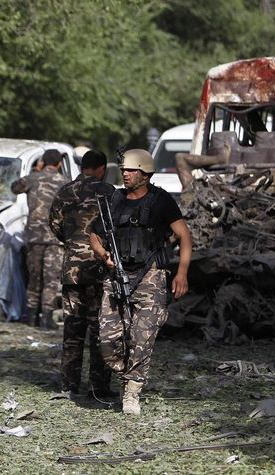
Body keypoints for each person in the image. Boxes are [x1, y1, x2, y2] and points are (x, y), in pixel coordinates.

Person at [89, 149, 192, 415]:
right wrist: (104, 256)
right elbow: (94, 234)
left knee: (141, 337)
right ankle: (125, 374)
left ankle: (132, 391)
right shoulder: (114, 200)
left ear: (145, 174)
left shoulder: (161, 201)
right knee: (108, 341)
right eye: (124, 170)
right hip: (117, 276)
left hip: (151, 277)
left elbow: (184, 236)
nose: (125, 174)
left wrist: (181, 273)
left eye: (132, 170)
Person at [49, 150, 117, 399]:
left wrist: (72, 244)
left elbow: (54, 225)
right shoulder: (109, 192)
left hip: (73, 270)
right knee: (101, 328)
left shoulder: (66, 191)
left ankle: (69, 385)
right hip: (101, 267)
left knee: (73, 330)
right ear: (101, 168)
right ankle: (98, 387)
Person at [11, 149, 68, 330]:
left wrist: (36, 171)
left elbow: (14, 187)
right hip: (55, 238)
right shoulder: (66, 183)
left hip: (34, 237)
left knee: (34, 279)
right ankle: (47, 319)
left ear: (42, 162)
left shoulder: (32, 179)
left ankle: (31, 317)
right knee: (51, 280)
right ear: (59, 164)